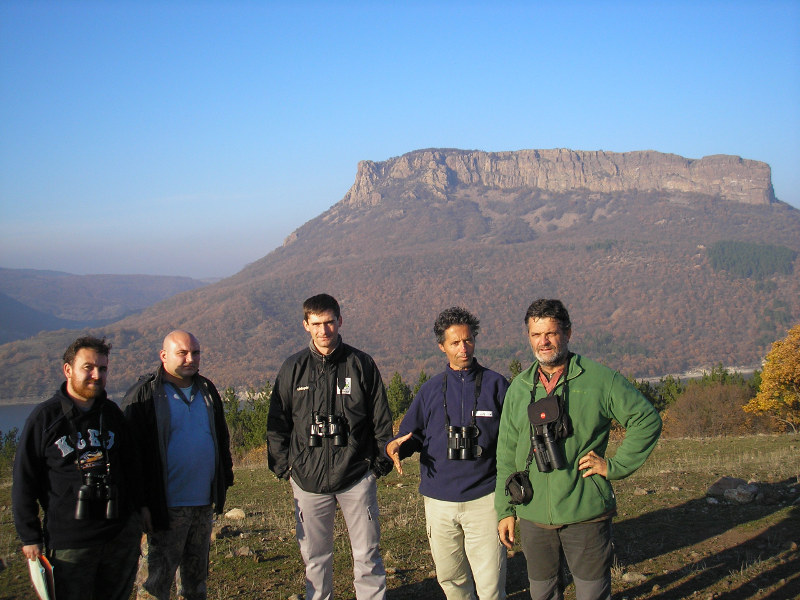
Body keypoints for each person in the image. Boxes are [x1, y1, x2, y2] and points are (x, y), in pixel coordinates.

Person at [494, 299, 662, 600]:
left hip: (585, 510)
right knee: (543, 592)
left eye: (551, 333)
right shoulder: (519, 388)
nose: (543, 342)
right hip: (533, 513)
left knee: (591, 592)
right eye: (535, 335)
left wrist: (615, 466)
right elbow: (506, 454)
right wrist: (505, 509)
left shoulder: (598, 380)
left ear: (567, 333)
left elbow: (646, 419)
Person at [267, 293, 394, 600]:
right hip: (307, 480)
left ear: (340, 322)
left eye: (329, 323)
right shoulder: (293, 368)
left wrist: (377, 464)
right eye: (316, 324)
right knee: (315, 559)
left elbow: (381, 418)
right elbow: (277, 422)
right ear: (305, 325)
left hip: (355, 474)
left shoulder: (360, 364)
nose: (323, 330)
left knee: (367, 555)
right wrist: (285, 466)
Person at [386, 307, 509, 600]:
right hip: (439, 500)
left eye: (468, 340)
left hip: (485, 497)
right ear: (442, 347)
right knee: (451, 579)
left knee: (491, 580)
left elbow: (513, 438)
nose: (463, 348)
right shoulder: (430, 391)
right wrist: (396, 448)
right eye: (455, 343)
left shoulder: (497, 385)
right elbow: (411, 435)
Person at [12, 336, 142, 600]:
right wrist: (29, 536)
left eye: (103, 369)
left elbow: (133, 469)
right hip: (71, 543)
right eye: (88, 367)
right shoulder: (45, 418)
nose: (96, 375)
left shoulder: (113, 414)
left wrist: (137, 517)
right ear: (68, 369)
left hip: (118, 537)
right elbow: (24, 480)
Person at [123, 330, 234, 600]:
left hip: (202, 505)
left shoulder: (207, 390)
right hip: (164, 508)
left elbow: (220, 438)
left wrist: (223, 480)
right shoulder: (146, 394)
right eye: (182, 353)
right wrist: (142, 504)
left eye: (195, 353)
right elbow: (129, 456)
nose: (190, 359)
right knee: (154, 584)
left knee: (196, 583)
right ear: (163, 356)